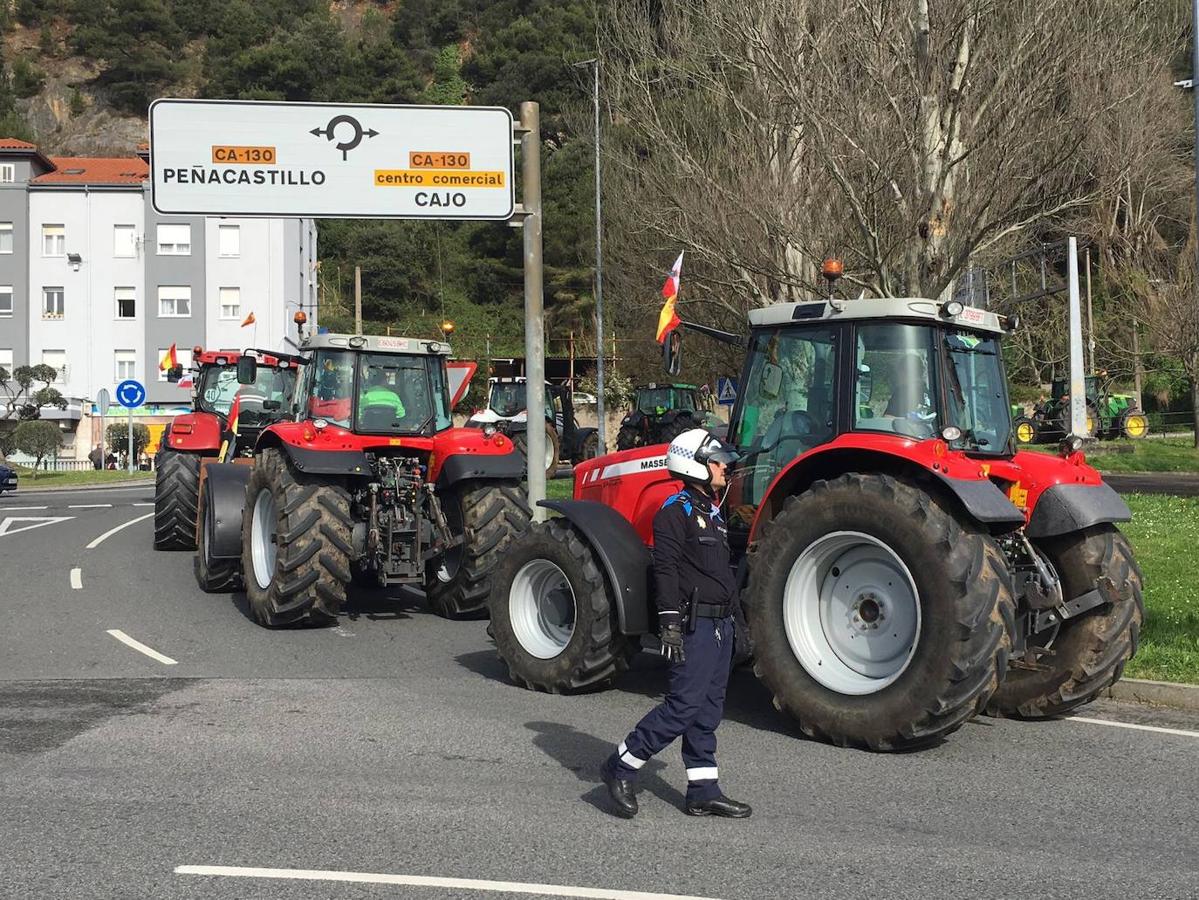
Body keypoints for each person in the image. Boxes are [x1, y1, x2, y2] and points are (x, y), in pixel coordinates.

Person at [600, 428, 752, 819]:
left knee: (708, 710)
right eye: (717, 461)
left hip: (720, 627)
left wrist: (739, 623)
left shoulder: (713, 514)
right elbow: (664, 571)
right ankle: (621, 765)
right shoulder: (675, 511)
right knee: (682, 708)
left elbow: (721, 576)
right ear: (694, 465)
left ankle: (703, 790)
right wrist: (669, 623)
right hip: (693, 625)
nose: (724, 467)